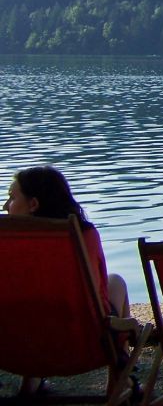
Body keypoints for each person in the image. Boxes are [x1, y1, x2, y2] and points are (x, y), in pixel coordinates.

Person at [4, 166, 132, 396]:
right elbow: (98, 295)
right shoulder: (83, 236)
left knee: (30, 304)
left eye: (11, 198)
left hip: (13, 348)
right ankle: (119, 386)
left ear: (33, 205)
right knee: (116, 283)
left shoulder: (6, 242)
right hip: (81, 346)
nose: (5, 206)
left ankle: (29, 384)